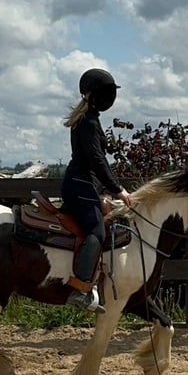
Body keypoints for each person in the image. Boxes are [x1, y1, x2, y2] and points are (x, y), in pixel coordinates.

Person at [60, 68, 133, 313]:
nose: (109, 98)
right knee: (96, 231)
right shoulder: (89, 121)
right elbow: (96, 162)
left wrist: (110, 146)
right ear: (92, 95)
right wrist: (119, 190)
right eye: (106, 93)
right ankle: (80, 289)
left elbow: (98, 147)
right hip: (80, 185)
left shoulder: (90, 118)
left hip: (81, 183)